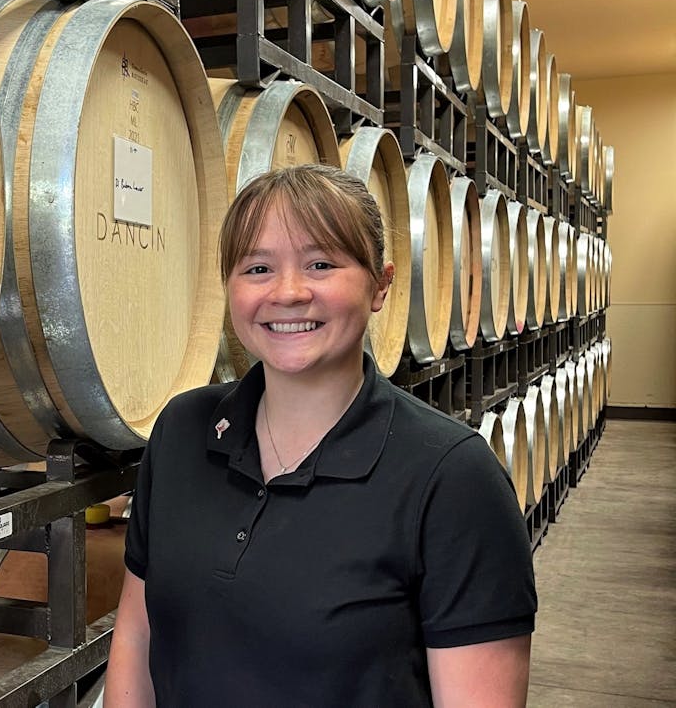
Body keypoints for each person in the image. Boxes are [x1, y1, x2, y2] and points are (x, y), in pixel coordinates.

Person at [105, 164, 536, 707]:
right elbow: (138, 632)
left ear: (381, 284)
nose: (287, 293)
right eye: (257, 268)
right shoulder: (182, 432)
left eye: (321, 263)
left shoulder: (452, 477)